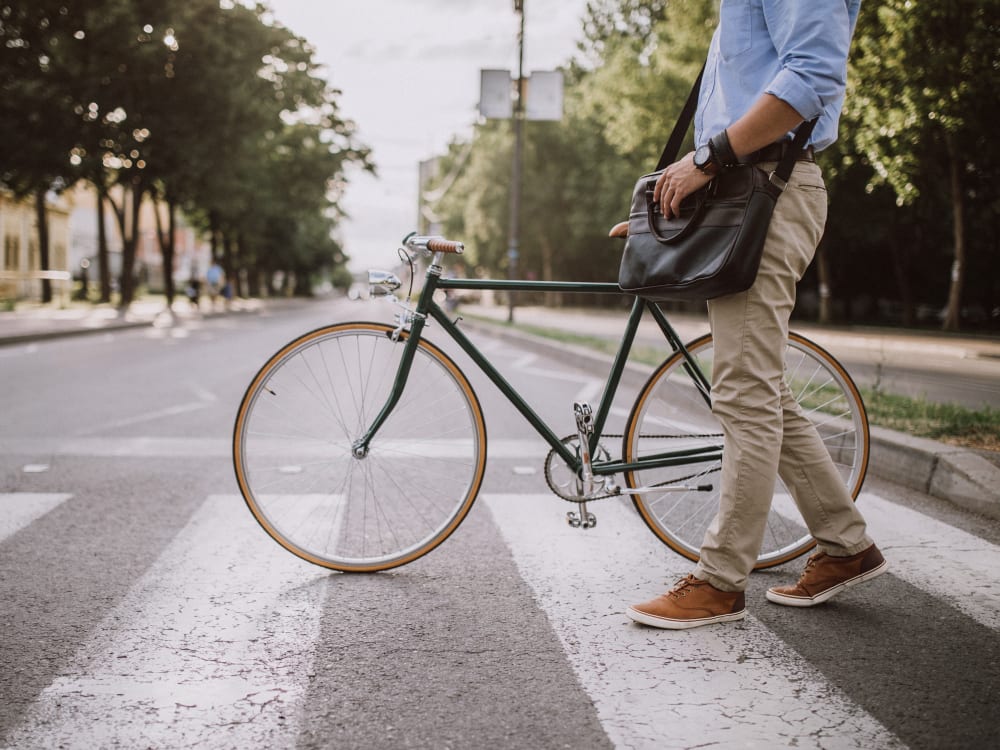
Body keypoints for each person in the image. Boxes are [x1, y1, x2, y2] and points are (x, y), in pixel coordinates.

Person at [626, 0, 885, 630]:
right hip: (742, 192)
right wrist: (665, 207)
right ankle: (845, 544)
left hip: (769, 191)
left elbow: (811, 79)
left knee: (743, 389)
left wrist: (705, 161)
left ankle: (720, 581)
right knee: (759, 386)